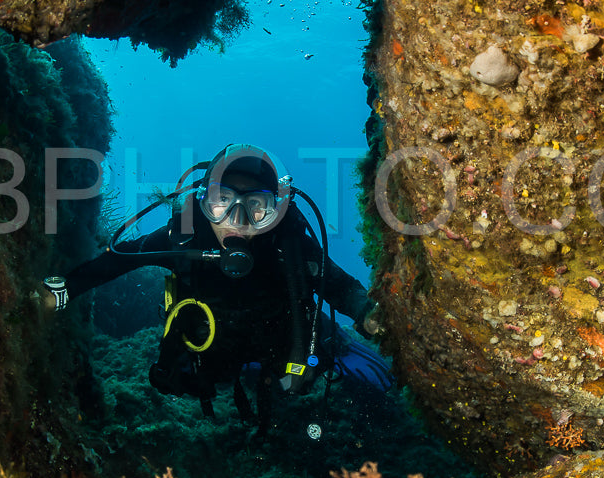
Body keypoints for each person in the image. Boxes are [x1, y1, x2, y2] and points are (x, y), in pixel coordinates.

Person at [40, 143, 389, 436]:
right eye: (223, 202)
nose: (237, 221)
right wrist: (64, 289)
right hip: (213, 349)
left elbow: (340, 286)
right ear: (204, 203)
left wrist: (366, 314)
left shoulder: (289, 244)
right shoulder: (185, 238)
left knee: (320, 358)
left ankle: (341, 345)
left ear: (275, 212)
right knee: (184, 378)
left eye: (255, 207)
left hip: (278, 344)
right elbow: (120, 259)